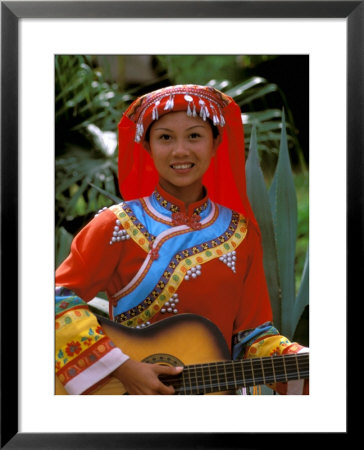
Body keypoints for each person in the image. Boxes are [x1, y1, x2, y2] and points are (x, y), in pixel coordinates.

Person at [55, 84, 308, 395]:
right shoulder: (116, 225)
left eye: (194, 136)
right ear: (146, 145)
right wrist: (121, 366)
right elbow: (54, 300)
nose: (180, 151)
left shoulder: (240, 233)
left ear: (216, 142)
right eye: (165, 137)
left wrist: (301, 362)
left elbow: (252, 337)